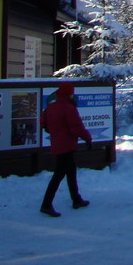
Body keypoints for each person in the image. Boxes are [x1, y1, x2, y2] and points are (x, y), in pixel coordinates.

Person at [40, 82, 92, 217]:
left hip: (57, 143)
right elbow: (76, 127)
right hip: (67, 145)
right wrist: (87, 138)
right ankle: (46, 204)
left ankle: (76, 199)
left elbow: (43, 123)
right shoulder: (69, 108)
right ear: (69, 94)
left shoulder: (51, 107)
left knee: (70, 171)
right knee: (59, 175)